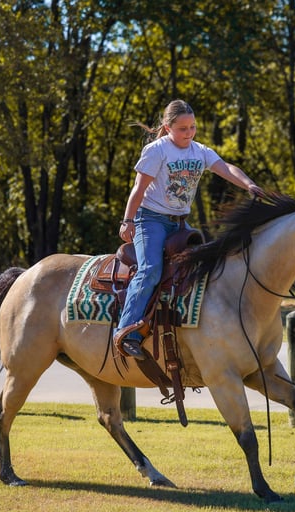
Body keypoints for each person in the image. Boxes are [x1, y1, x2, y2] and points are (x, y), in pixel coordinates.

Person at [115, 99, 264, 360]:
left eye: (192, 127)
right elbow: (138, 189)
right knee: (151, 269)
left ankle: (190, 327)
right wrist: (127, 221)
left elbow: (226, 167)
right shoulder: (156, 150)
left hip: (179, 222)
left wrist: (248, 185)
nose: (189, 133)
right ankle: (127, 331)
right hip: (150, 219)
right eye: (183, 128)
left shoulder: (199, 151)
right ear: (168, 127)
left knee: (205, 265)